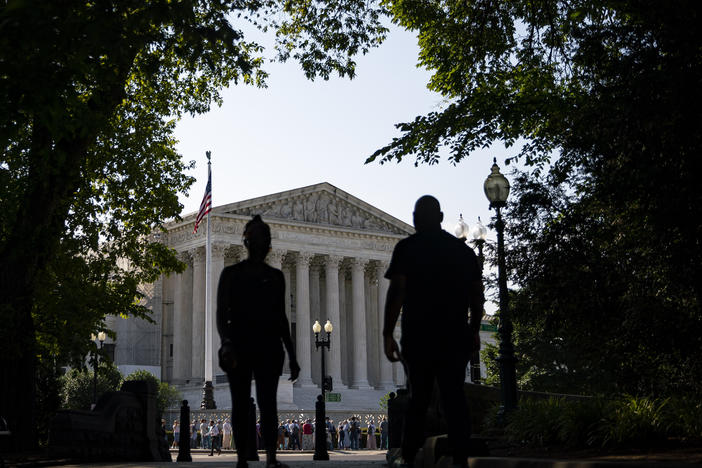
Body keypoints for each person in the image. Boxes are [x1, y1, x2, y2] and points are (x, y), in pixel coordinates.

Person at [383, 195, 484, 468]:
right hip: (454, 335)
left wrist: (387, 333)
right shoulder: (463, 252)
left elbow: (397, 292)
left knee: (418, 399)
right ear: (441, 218)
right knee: (454, 397)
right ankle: (461, 458)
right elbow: (478, 298)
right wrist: (473, 329)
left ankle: (407, 458)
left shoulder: (408, 248)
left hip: (420, 335)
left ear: (416, 220)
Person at [217, 215, 301, 468]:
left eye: (264, 239)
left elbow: (282, 318)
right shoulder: (231, 274)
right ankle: (243, 458)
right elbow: (221, 313)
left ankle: (271, 459)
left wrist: (293, 355)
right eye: (257, 239)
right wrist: (226, 343)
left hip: (268, 347)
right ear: (247, 242)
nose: (261, 244)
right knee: (241, 403)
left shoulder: (276, 277)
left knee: (268, 404)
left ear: (269, 245)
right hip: (241, 345)